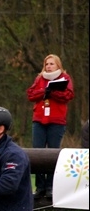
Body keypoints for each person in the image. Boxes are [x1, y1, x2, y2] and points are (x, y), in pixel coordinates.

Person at [26, 54, 75, 199]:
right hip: (39, 120)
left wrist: (52, 92)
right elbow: (31, 94)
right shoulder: (40, 78)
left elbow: (68, 96)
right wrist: (44, 92)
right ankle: (39, 187)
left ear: (58, 65)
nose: (48, 66)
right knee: (38, 152)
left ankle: (50, 187)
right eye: (47, 64)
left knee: (53, 153)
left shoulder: (65, 78)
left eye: (52, 64)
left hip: (56, 121)